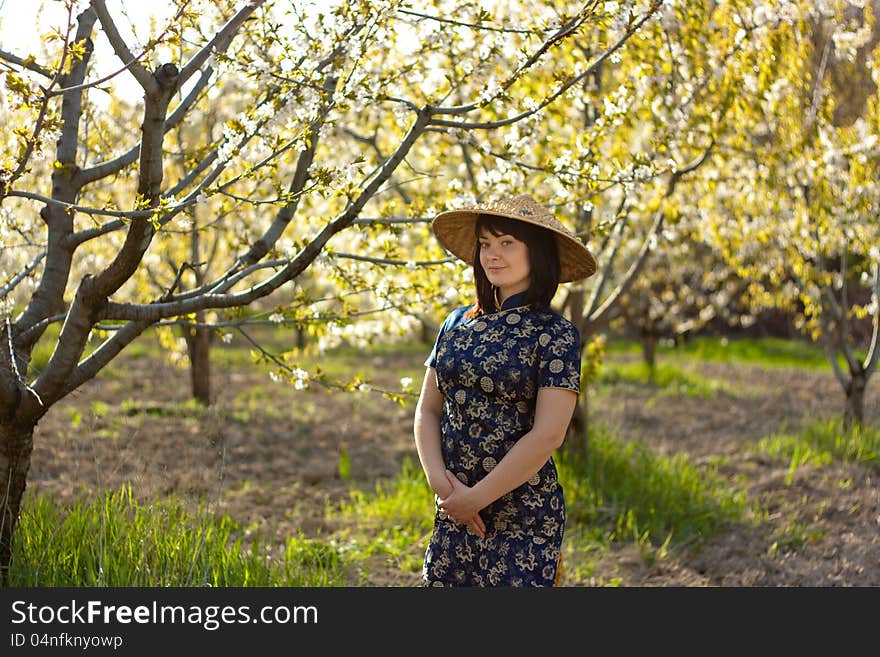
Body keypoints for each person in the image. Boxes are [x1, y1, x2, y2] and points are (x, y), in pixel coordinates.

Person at [413, 193, 597, 587]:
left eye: (507, 243)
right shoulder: (456, 323)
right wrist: (445, 490)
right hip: (453, 504)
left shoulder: (554, 333)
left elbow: (548, 434)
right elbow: (427, 409)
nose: (492, 255)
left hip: (522, 512)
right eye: (485, 244)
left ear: (538, 252)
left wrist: (475, 499)